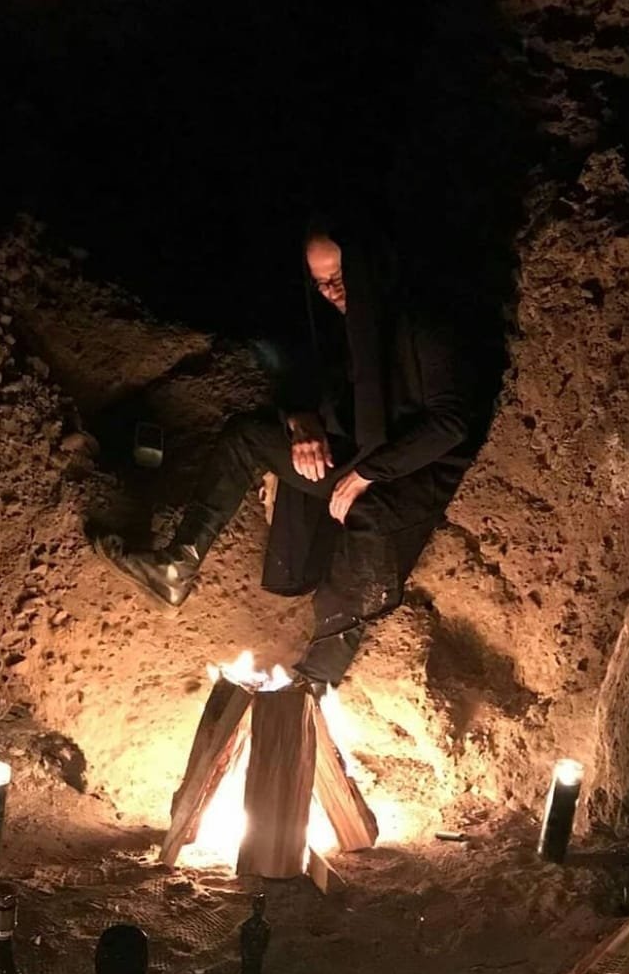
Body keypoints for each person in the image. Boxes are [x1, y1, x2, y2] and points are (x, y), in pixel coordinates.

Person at [93, 209, 472, 689]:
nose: (330, 292)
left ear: (368, 267)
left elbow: (449, 425)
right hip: (362, 457)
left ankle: (315, 681)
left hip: (415, 473)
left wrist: (368, 474)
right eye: (320, 283)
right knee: (246, 438)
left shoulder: (423, 323)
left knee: (368, 520)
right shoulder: (342, 327)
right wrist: (299, 419)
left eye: (340, 278)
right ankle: (176, 566)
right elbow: (309, 380)